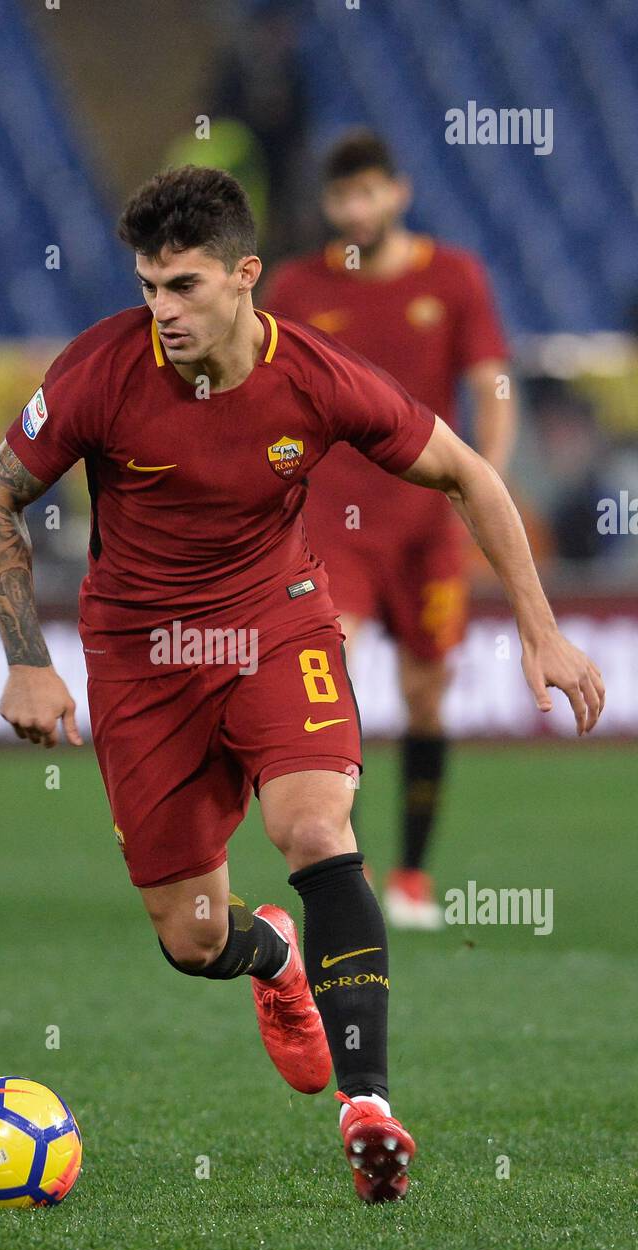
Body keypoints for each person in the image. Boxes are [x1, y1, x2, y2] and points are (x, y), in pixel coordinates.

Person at [0, 167, 603, 1203]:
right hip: (139, 655)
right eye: (146, 287)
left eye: (181, 286)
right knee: (191, 937)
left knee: (315, 826)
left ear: (243, 276)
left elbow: (468, 473)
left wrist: (540, 631)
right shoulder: (97, 371)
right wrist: (27, 660)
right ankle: (274, 963)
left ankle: (369, 1108)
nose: (160, 310)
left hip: (274, 623)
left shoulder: (311, 375)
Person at [262, 130, 517, 928]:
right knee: (328, 671)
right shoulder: (297, 288)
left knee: (425, 695)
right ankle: (349, 864)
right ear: (327, 206)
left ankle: (411, 873)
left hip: (426, 522)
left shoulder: (453, 276)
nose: (355, 209)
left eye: (368, 193)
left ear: (397, 193)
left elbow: (491, 384)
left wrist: (486, 482)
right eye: (341, 197)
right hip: (333, 521)